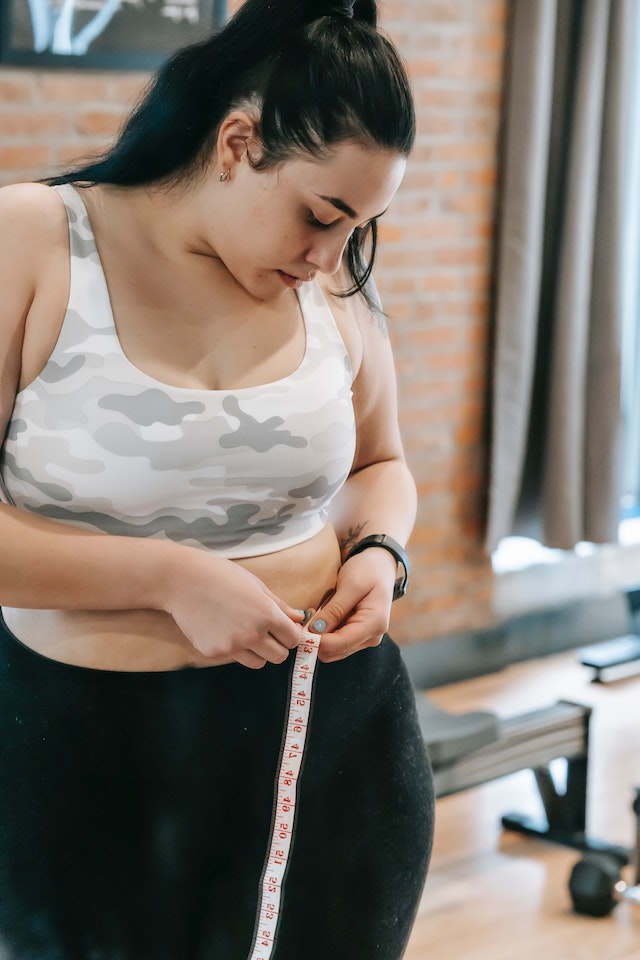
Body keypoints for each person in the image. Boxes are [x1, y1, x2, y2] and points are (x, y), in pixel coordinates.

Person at [0, 0, 434, 957]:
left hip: (334, 740)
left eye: (360, 227)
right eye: (320, 215)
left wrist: (380, 552)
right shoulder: (31, 240)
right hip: (83, 752)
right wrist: (169, 578)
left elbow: (381, 463)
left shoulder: (331, 284)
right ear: (238, 142)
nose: (331, 257)